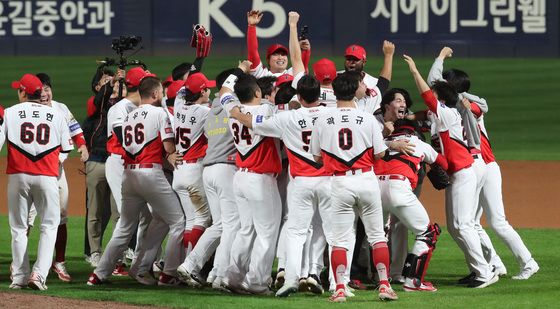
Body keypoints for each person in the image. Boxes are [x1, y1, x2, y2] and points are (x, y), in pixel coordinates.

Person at [229, 11, 330, 297]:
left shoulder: (277, 110)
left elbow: (298, 69)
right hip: (303, 169)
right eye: (276, 56)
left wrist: (234, 109)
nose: (281, 58)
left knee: (286, 223)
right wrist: (289, 28)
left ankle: (278, 270)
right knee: (311, 226)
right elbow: (298, 65)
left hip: (284, 163)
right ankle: (310, 272)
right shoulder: (329, 112)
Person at [403, 54, 499, 288]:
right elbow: (423, 115)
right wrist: (407, 118)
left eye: (435, 93)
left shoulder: (446, 113)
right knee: (456, 227)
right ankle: (478, 270)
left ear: (441, 98)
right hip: (458, 174)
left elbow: (427, 97)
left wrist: (415, 71)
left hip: (465, 172)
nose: (430, 95)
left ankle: (486, 271)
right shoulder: (440, 115)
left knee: (463, 225)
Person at [87, 76, 186, 287]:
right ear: (156, 94)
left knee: (128, 226)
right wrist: (174, 153)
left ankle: (100, 274)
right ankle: (168, 273)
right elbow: (168, 147)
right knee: (178, 222)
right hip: (151, 175)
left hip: (129, 175)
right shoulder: (160, 112)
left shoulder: (131, 116)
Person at [310, 71, 397, 302]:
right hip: (366, 180)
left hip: (339, 182)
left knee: (339, 239)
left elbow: (317, 157)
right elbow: (380, 153)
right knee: (377, 236)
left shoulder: (322, 119)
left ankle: (339, 287)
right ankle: (385, 286)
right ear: (355, 90)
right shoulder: (367, 118)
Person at [2, 74, 73, 290]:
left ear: (23, 92)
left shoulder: (10, 113)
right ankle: (39, 275)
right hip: (47, 177)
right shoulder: (56, 114)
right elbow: (67, 148)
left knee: (18, 228)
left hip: (17, 177)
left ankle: (20, 277)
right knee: (49, 227)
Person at [219, 61, 282, 295]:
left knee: (246, 230)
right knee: (266, 233)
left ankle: (232, 277)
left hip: (241, 178)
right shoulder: (266, 111)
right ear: (258, 92)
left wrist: (238, 71)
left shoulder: (231, 108)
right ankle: (257, 282)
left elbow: (225, 92)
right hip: (260, 180)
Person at [175, 69, 240, 290]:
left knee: (218, 225)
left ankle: (192, 265)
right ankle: (218, 274)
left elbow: (184, 91)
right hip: (224, 170)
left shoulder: (211, 110)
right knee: (230, 224)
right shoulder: (232, 108)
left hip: (207, 171)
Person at [24, 73, 89, 282]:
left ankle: (59, 262)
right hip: (34, 171)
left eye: (47, 89)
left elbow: (75, 129)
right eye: (40, 90)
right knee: (27, 219)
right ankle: (21, 264)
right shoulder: (29, 112)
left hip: (56, 172)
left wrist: (83, 145)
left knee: (61, 216)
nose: (44, 93)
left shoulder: (61, 108)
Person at [374, 118, 447, 291]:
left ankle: (381, 281)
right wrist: (428, 165)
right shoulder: (418, 143)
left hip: (374, 189)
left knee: (378, 237)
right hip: (398, 189)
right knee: (428, 234)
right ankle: (413, 282)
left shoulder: (382, 142)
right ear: (414, 132)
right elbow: (444, 164)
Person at [105, 67, 155, 274]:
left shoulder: (143, 107)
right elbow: (125, 139)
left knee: (148, 216)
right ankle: (108, 266)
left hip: (134, 165)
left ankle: (140, 262)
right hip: (119, 164)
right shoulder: (120, 108)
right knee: (127, 217)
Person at [171, 72, 214, 280]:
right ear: (202, 92)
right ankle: (191, 267)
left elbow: (181, 91)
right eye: (207, 88)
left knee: (190, 221)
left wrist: (198, 61)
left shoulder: (179, 105)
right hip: (194, 170)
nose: (211, 91)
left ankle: (180, 268)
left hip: (178, 171)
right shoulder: (205, 111)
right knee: (203, 218)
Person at [83, 67, 123, 267]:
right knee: (95, 211)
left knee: (118, 213)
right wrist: (112, 82)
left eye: (114, 82)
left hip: (116, 163)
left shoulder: (123, 106)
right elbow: (99, 101)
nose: (112, 85)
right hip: (97, 161)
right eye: (107, 82)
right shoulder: (95, 105)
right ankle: (94, 252)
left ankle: (116, 253)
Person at [246, 10, 310, 78]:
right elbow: (253, 51)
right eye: (275, 54)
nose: (280, 58)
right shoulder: (261, 74)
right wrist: (252, 26)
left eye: (283, 54)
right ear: (268, 60)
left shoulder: (292, 73)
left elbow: (299, 61)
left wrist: (306, 50)